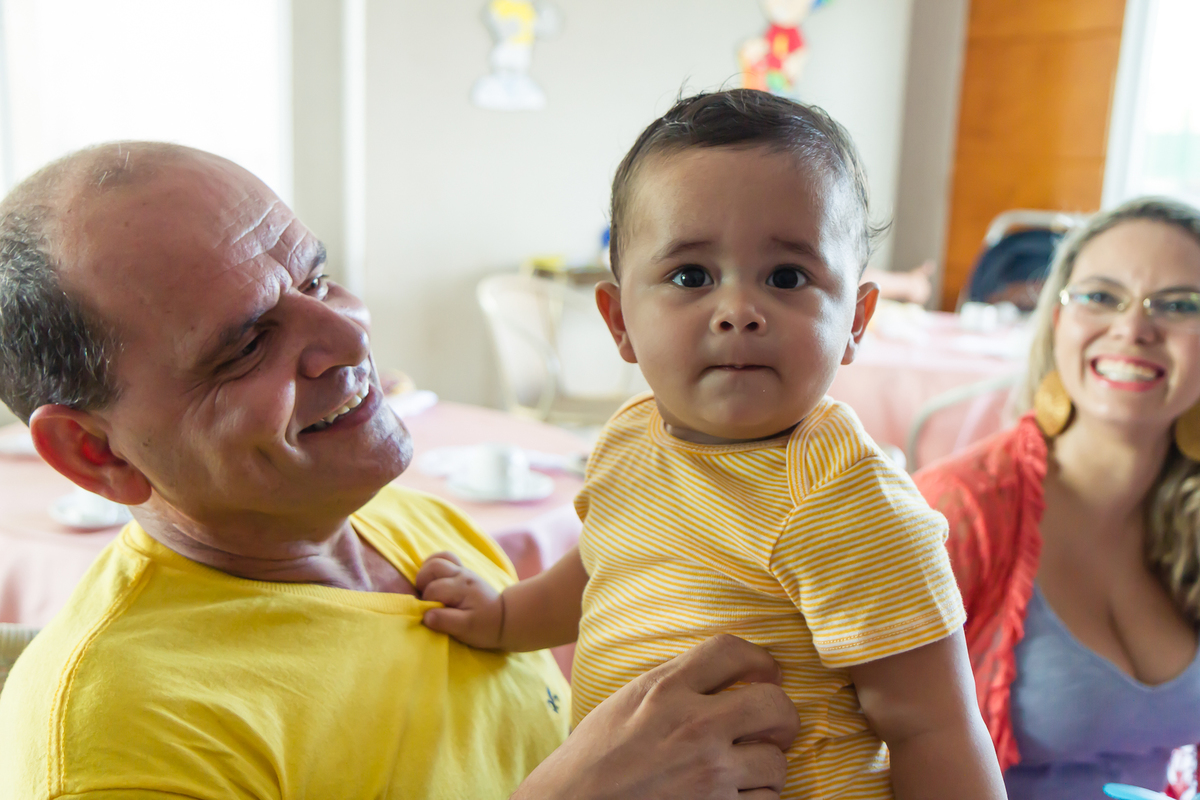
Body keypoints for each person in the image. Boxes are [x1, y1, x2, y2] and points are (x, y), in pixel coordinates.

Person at [0, 141, 803, 799]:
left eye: (317, 279)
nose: (349, 337)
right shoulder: (115, 735)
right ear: (93, 452)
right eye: (246, 344)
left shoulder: (406, 525)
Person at [417, 90, 1006, 799]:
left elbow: (935, 728)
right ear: (619, 322)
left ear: (857, 318)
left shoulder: (844, 501)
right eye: (691, 276)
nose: (738, 311)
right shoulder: (631, 439)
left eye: (787, 277)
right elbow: (600, 567)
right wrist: (508, 615)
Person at [913, 197, 1200, 799]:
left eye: (1178, 305)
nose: (1134, 328)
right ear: (1056, 322)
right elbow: (849, 742)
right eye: (1100, 296)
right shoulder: (958, 511)